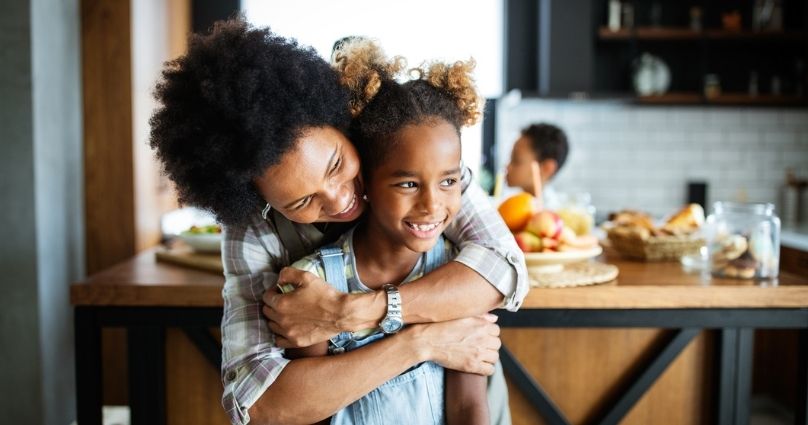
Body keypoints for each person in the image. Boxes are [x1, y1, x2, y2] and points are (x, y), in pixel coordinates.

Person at [149, 18, 527, 425]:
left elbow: (503, 268)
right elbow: (259, 404)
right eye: (304, 200)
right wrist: (422, 342)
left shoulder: (414, 165)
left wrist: (353, 313)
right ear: (260, 201)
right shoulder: (256, 235)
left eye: (336, 165)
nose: (340, 198)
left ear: (342, 123)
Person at [284, 39, 489, 425]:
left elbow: (467, 407)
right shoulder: (314, 286)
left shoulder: (457, 277)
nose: (432, 205)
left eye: (448, 181)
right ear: (365, 184)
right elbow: (309, 411)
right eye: (408, 184)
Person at [505, 123, 569, 203]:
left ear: (546, 168)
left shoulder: (551, 212)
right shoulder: (508, 204)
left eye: (516, 161)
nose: (507, 167)